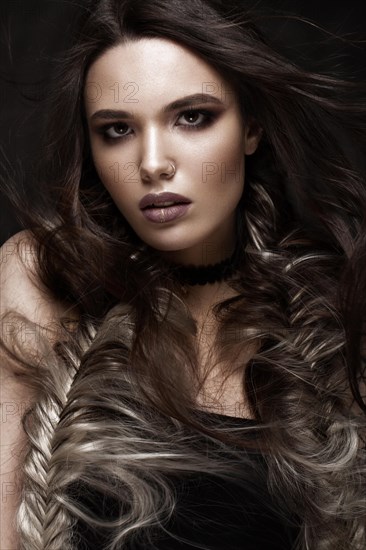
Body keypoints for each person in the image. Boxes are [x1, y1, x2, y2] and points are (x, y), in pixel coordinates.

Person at [1, 0, 366, 548]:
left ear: (252, 127)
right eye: (118, 129)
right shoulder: (44, 277)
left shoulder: (331, 308)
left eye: (192, 117)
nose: (152, 163)